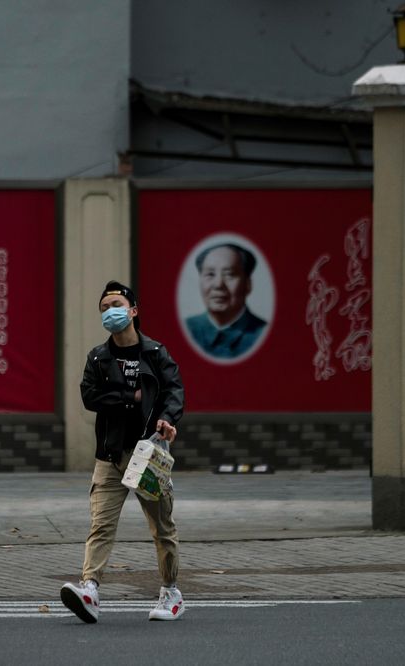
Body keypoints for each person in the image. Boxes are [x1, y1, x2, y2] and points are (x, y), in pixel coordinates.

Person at [61, 280, 186, 623]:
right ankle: (90, 589)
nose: (110, 312)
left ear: (133, 310)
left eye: (116, 304)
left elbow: (174, 391)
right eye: (104, 308)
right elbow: (90, 396)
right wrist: (127, 398)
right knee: (100, 525)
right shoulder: (99, 358)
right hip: (111, 456)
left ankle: (171, 592)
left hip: (147, 455)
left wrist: (167, 419)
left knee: (162, 528)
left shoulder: (156, 354)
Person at [185, 242, 267, 359]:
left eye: (229, 274)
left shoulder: (262, 332)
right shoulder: (188, 329)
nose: (218, 284)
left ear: (248, 284)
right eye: (210, 274)